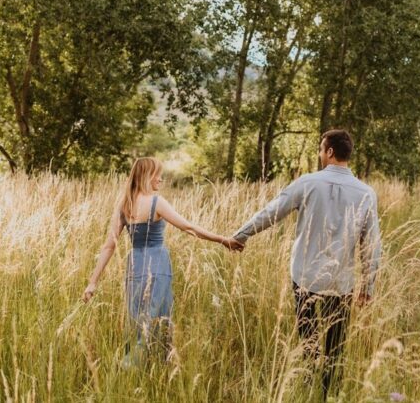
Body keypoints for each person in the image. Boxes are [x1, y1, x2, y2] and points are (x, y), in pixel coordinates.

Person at [233, 129, 381, 397]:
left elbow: (272, 212)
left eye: (321, 149)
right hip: (341, 282)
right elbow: (372, 244)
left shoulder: (307, 182)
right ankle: (328, 395)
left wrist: (241, 235)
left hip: (306, 278)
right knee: (336, 346)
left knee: (308, 341)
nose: (320, 153)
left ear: (330, 152)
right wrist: (367, 286)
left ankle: (307, 389)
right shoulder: (366, 193)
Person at [82, 157, 243, 365]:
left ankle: (136, 363)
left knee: (137, 318)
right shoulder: (156, 202)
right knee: (158, 316)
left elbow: (109, 246)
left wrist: (93, 282)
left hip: (135, 265)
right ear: (147, 176)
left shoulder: (124, 205)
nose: (160, 178)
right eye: (157, 174)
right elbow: (189, 227)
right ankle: (147, 364)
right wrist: (222, 240)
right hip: (157, 264)